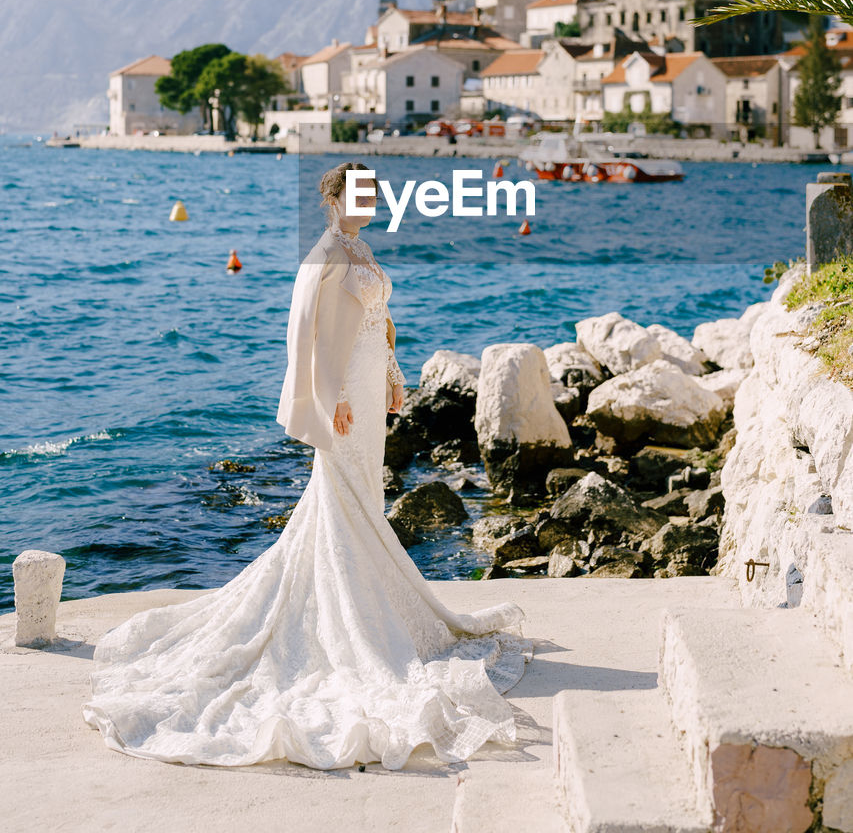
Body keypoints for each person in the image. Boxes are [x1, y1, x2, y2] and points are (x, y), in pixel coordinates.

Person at [81, 161, 533, 770]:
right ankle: (354, 622)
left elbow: (379, 322)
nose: (368, 201)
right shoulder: (323, 253)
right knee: (341, 496)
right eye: (358, 193)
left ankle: (376, 603)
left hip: (370, 388)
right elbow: (308, 337)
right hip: (342, 394)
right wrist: (331, 400)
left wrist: (395, 377)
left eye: (374, 193)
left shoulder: (361, 247)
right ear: (332, 200)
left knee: (362, 499)